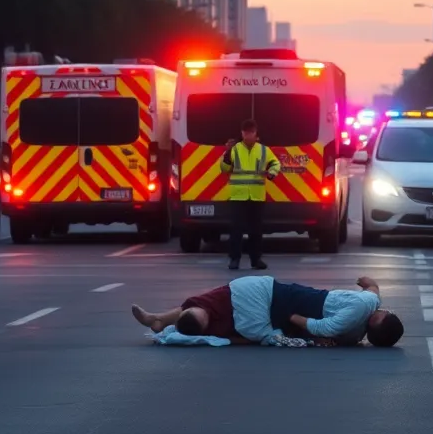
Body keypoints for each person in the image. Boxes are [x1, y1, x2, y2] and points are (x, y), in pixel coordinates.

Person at [130, 275, 405, 347]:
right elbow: (372, 290)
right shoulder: (356, 334)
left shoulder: (363, 308)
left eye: (384, 313)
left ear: (380, 319)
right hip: (276, 312)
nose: (383, 309)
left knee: (211, 302)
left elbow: (325, 328)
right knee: (218, 311)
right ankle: (160, 320)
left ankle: (164, 321)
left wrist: (295, 317)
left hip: (277, 301)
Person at [220, 119, 282, 271]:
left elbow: (276, 163)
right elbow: (224, 168)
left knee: (256, 230)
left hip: (256, 196)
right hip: (238, 196)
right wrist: (227, 153)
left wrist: (271, 173)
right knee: (236, 230)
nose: (248, 135)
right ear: (242, 133)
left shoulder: (263, 150)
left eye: (251, 132)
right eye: (246, 133)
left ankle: (256, 260)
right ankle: (234, 259)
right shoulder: (234, 149)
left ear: (256, 133)